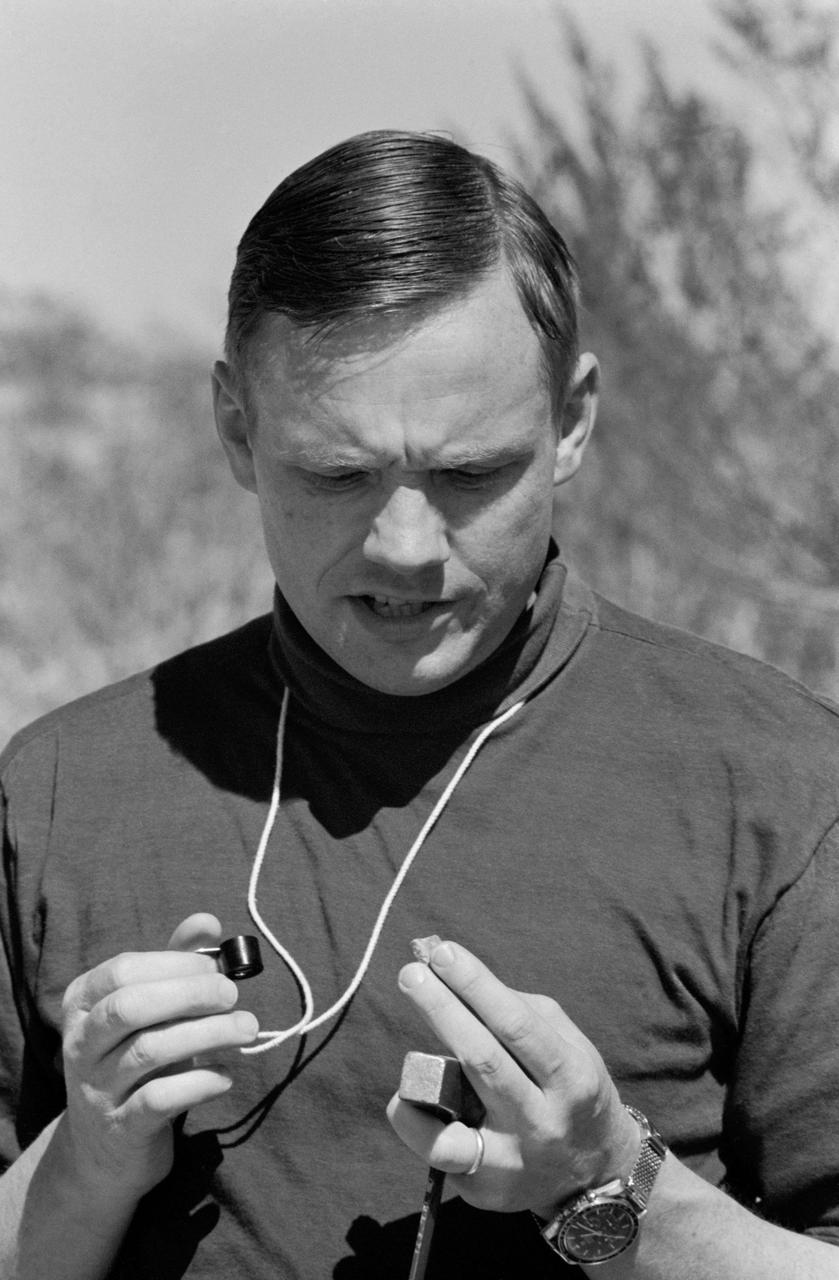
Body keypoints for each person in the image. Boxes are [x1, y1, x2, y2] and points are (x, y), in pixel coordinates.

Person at [1, 129, 839, 1280]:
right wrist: (87, 1157)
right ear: (238, 429)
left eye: (469, 474)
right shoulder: (58, 790)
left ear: (573, 421)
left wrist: (614, 1188)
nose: (405, 549)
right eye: (337, 475)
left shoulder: (775, 781)